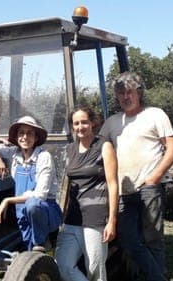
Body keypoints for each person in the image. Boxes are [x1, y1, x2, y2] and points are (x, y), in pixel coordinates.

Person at [99, 72, 173, 281]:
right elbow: (97, 148)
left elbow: (172, 148)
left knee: (152, 238)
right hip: (123, 191)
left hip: (149, 187)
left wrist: (154, 178)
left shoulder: (155, 115)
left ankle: (155, 276)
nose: (125, 97)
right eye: (120, 93)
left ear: (139, 93)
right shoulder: (112, 122)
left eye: (129, 92)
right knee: (127, 238)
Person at [55, 106, 119, 281]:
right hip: (72, 217)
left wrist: (112, 220)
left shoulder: (103, 146)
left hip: (96, 217)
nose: (80, 127)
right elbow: (65, 185)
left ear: (92, 123)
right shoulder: (69, 150)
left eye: (84, 122)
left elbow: (113, 184)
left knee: (95, 270)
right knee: (62, 265)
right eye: (76, 123)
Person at [0, 116, 62, 252]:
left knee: (32, 204)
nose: (25, 137)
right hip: (21, 210)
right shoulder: (15, 154)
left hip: (44, 210)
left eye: (30, 133)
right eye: (21, 133)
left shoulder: (43, 157)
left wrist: (7, 200)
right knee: (28, 253)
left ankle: (43, 241)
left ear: (36, 138)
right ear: (16, 137)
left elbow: (40, 195)